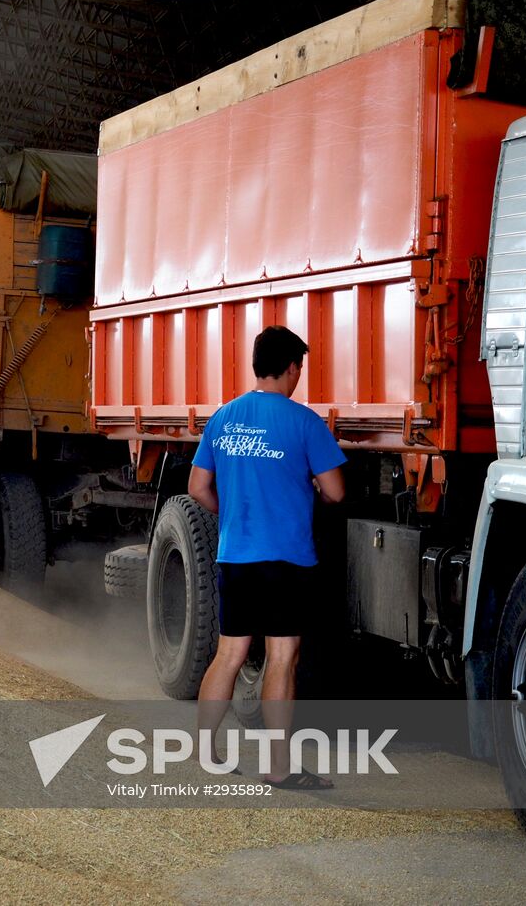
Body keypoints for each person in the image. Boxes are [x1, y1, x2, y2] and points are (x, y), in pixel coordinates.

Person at [188, 325, 346, 790]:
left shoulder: (225, 418)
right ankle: (277, 767)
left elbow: (197, 487)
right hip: (286, 560)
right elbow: (336, 492)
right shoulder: (304, 422)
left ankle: (205, 755)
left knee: (230, 654)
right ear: (293, 367)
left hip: (236, 554)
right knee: (281, 657)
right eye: (300, 367)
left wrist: (232, 510)